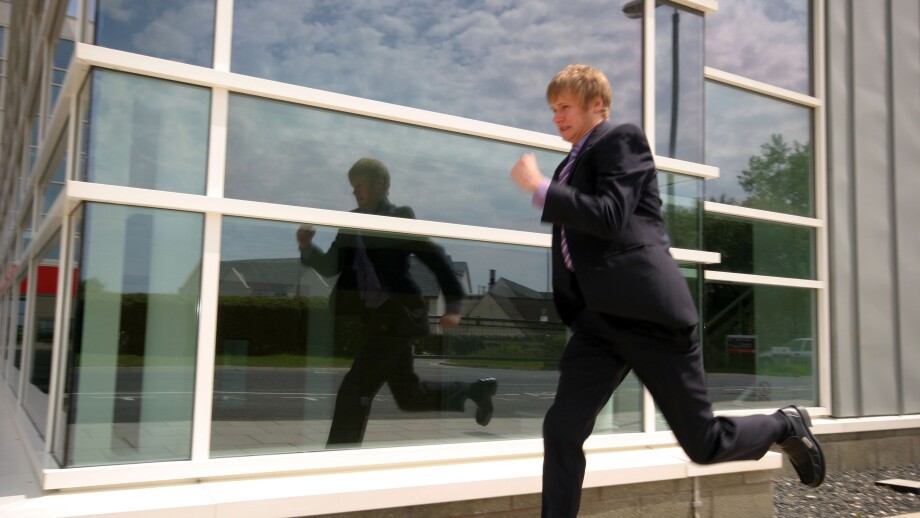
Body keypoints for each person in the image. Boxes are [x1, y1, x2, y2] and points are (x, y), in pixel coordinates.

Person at [509, 64, 825, 517]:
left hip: (648, 316)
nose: (556, 117)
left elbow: (610, 215)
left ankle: (783, 424)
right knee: (562, 429)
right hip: (597, 323)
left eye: (565, 107)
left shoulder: (622, 140)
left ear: (596, 104)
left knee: (703, 443)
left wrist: (539, 188)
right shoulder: (566, 165)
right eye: (552, 109)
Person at [298, 157, 497, 447]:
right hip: (377, 320)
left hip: (397, 317)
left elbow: (434, 257)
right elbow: (331, 266)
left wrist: (454, 306)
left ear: (380, 184)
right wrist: (306, 247)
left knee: (354, 389)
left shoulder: (399, 217)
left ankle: (337, 457)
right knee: (409, 396)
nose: (355, 193)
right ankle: (475, 391)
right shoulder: (351, 223)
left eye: (360, 186)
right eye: (352, 188)